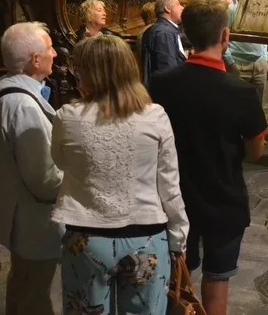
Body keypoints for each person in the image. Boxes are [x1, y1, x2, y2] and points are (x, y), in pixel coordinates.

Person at [51, 35, 189, 315]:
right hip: (146, 237)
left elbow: (60, 161)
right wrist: (178, 237)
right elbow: (169, 186)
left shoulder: (67, 116)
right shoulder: (155, 116)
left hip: (87, 239)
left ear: (88, 73)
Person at [148, 0, 267, 315]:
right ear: (225, 36)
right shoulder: (242, 92)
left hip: (174, 200)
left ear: (186, 35)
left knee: (175, 286)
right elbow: (256, 151)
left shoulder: (161, 84)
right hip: (223, 199)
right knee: (217, 286)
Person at [0, 23, 63, 315]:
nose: (55, 54)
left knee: (24, 291)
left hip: (24, 218)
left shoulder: (13, 93)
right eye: (49, 49)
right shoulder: (23, 105)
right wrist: (80, 176)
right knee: (35, 297)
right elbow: (44, 181)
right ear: (35, 60)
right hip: (34, 223)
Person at [140, 0, 186, 84]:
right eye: (178, 4)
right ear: (167, 9)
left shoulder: (166, 30)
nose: (182, 8)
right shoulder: (164, 33)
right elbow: (167, 70)